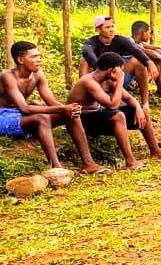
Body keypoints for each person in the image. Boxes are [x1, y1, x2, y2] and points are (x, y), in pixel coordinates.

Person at [2, 41, 104, 173]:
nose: (38, 60)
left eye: (38, 56)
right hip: (4, 116)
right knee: (42, 118)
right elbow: (25, 108)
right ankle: (56, 167)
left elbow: (51, 101)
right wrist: (63, 109)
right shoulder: (8, 77)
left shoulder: (38, 75)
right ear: (20, 60)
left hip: (21, 117)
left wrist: (69, 108)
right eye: (33, 57)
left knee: (71, 114)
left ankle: (89, 164)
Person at [69, 52, 161, 169]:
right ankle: (130, 161)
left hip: (97, 115)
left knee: (141, 109)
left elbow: (128, 98)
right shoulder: (89, 81)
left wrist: (138, 108)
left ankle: (155, 151)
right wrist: (120, 81)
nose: (121, 74)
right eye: (120, 71)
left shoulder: (108, 80)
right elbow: (113, 106)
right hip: (81, 120)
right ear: (111, 71)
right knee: (118, 115)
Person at [80, 16, 158, 109]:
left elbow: (135, 50)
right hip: (100, 79)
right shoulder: (92, 42)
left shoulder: (120, 40)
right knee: (84, 60)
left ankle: (145, 103)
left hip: (118, 77)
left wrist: (149, 62)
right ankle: (84, 94)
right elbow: (87, 52)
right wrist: (101, 70)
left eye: (112, 26)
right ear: (98, 30)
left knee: (138, 62)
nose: (111, 30)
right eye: (107, 27)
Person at [130, 21, 161, 101]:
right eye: (149, 33)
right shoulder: (129, 42)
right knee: (154, 59)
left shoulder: (139, 42)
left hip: (140, 74)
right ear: (143, 33)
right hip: (130, 80)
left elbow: (158, 49)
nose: (150, 36)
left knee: (158, 53)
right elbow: (149, 52)